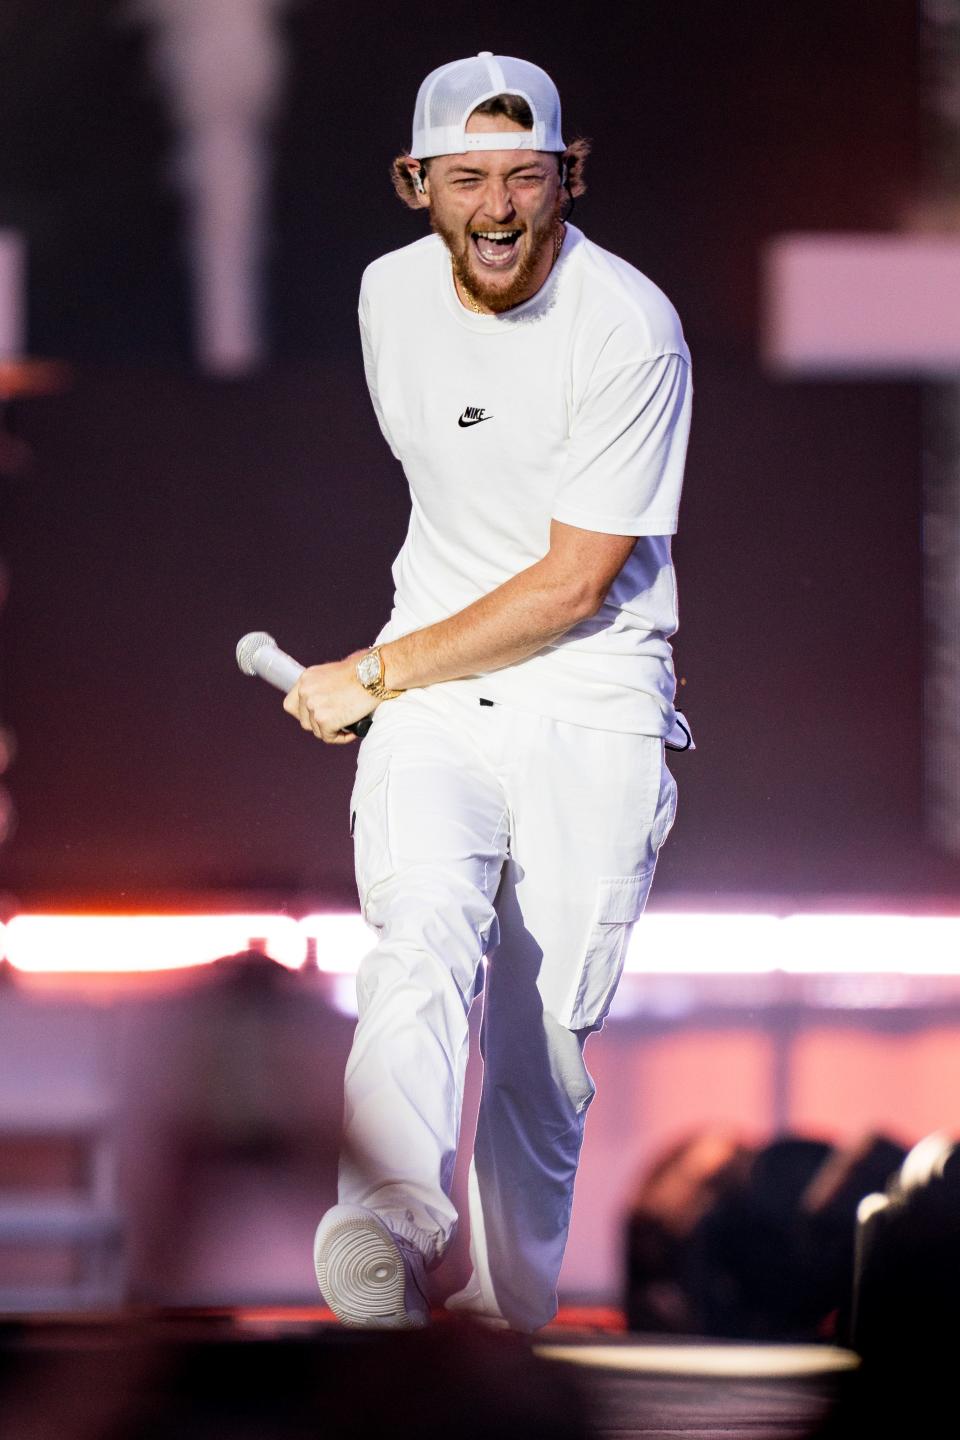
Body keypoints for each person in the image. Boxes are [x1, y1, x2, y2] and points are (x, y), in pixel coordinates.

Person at [283, 52, 693, 1332]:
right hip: (439, 703)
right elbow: (455, 499)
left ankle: (499, 1335)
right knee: (418, 940)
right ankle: (386, 1231)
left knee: (542, 1063)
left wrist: (373, 671)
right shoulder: (383, 299)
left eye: (527, 176)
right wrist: (401, 680)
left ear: (571, 176)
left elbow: (574, 584)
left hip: (594, 697)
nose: (500, 207)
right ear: (417, 184)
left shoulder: (633, 325)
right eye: (468, 178)